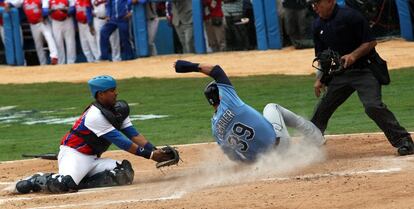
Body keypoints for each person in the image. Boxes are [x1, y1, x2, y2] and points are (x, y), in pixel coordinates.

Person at [15, 75, 177, 194]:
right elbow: (121, 141)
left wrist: (155, 150)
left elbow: (133, 135)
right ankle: (37, 179)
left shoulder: (118, 110)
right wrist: (150, 156)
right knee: (65, 184)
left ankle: (79, 181)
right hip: (74, 154)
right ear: (100, 94)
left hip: (93, 158)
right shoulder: (94, 116)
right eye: (112, 91)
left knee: (123, 174)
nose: (116, 93)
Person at [308, 0, 414, 155]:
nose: (315, 7)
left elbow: (371, 42)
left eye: (318, 3)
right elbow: (323, 56)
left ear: (330, 1)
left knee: (373, 106)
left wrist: (353, 55)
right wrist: (321, 79)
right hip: (341, 74)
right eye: (313, 4)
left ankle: (404, 141)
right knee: (323, 108)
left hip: (365, 70)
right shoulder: (317, 25)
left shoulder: (350, 16)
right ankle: (310, 144)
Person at [174, 60, 325, 162]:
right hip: (281, 146)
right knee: (271, 107)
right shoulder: (229, 101)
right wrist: (189, 66)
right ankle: (316, 137)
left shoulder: (215, 129)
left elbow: (233, 157)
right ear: (220, 94)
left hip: (267, 162)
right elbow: (217, 71)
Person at [44, 0, 77, 64]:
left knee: (70, 43)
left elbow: (73, 9)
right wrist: (53, 10)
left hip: (67, 20)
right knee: (58, 43)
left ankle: (71, 62)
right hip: (56, 22)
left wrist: (65, 10)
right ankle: (61, 63)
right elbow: (44, 11)